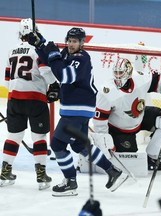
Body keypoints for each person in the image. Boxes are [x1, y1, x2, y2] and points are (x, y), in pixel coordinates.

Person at [28, 27, 128, 196]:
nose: (71, 44)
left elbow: (64, 75)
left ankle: (70, 182)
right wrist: (40, 44)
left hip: (77, 109)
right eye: (69, 40)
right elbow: (52, 60)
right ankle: (112, 171)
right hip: (77, 108)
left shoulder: (81, 58)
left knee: (57, 145)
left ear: (82, 43)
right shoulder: (68, 54)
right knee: (79, 145)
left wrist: (53, 54)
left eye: (74, 41)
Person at [92, 57, 161, 171]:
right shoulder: (107, 91)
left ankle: (154, 156)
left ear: (129, 72)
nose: (118, 76)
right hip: (118, 129)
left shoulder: (140, 78)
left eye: (121, 73)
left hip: (141, 116)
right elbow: (99, 120)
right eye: (116, 73)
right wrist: (104, 141)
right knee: (129, 158)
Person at [0, 18, 59, 190]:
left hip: (14, 99)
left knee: (14, 136)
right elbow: (45, 70)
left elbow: (6, 80)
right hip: (35, 99)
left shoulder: (11, 51)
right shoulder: (37, 50)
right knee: (39, 137)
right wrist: (54, 85)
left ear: (20, 33)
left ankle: (5, 169)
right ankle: (41, 174)